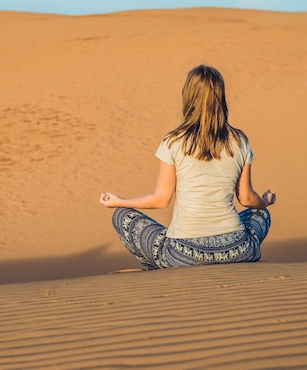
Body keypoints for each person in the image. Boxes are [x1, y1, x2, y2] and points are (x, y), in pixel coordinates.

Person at [99, 64, 275, 269]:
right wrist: (265, 201)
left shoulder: (173, 142)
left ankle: (157, 269)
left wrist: (120, 201)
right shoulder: (239, 141)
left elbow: (161, 199)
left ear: (188, 96)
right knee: (261, 213)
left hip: (183, 253)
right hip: (236, 249)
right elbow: (246, 199)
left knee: (121, 215)